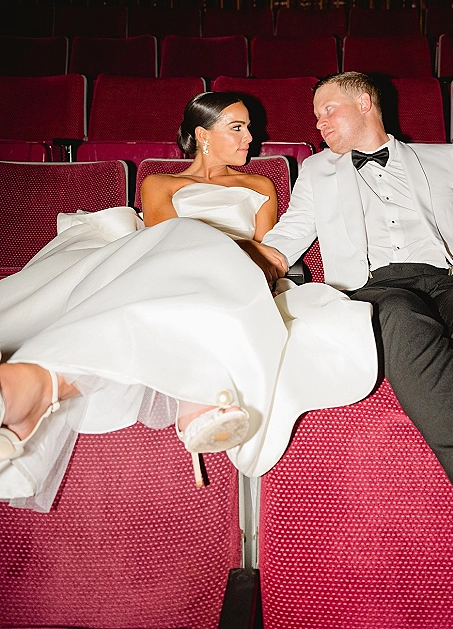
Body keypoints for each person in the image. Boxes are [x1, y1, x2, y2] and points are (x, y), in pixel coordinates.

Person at [240, 72, 453, 629]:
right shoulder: (317, 173)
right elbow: (285, 240)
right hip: (376, 289)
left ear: (365, 102)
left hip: (451, 282)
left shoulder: (444, 157)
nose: (317, 123)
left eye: (328, 109)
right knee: (397, 321)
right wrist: (240, 266)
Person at [0, 91, 377, 511]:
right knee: (182, 240)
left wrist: (245, 258)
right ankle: (196, 393)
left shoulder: (260, 186)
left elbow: (267, 253)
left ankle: (37, 386)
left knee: (206, 258)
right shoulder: (160, 183)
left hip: (237, 280)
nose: (251, 137)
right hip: (167, 267)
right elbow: (159, 240)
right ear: (202, 135)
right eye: (237, 127)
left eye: (250, 127)